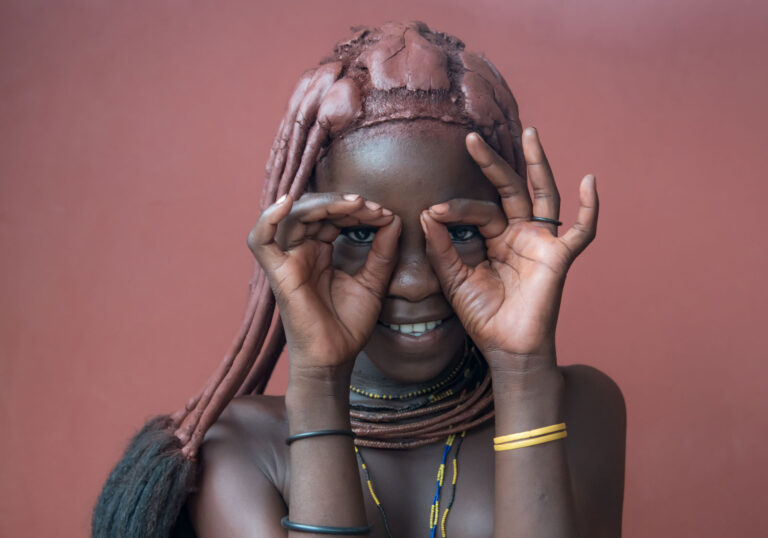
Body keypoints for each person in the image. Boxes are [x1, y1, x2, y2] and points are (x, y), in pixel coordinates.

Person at [92, 21, 625, 538]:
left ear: (508, 231)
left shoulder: (581, 405)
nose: (415, 282)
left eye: (459, 230)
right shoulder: (238, 449)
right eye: (362, 234)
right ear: (302, 240)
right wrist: (320, 379)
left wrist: (523, 371)